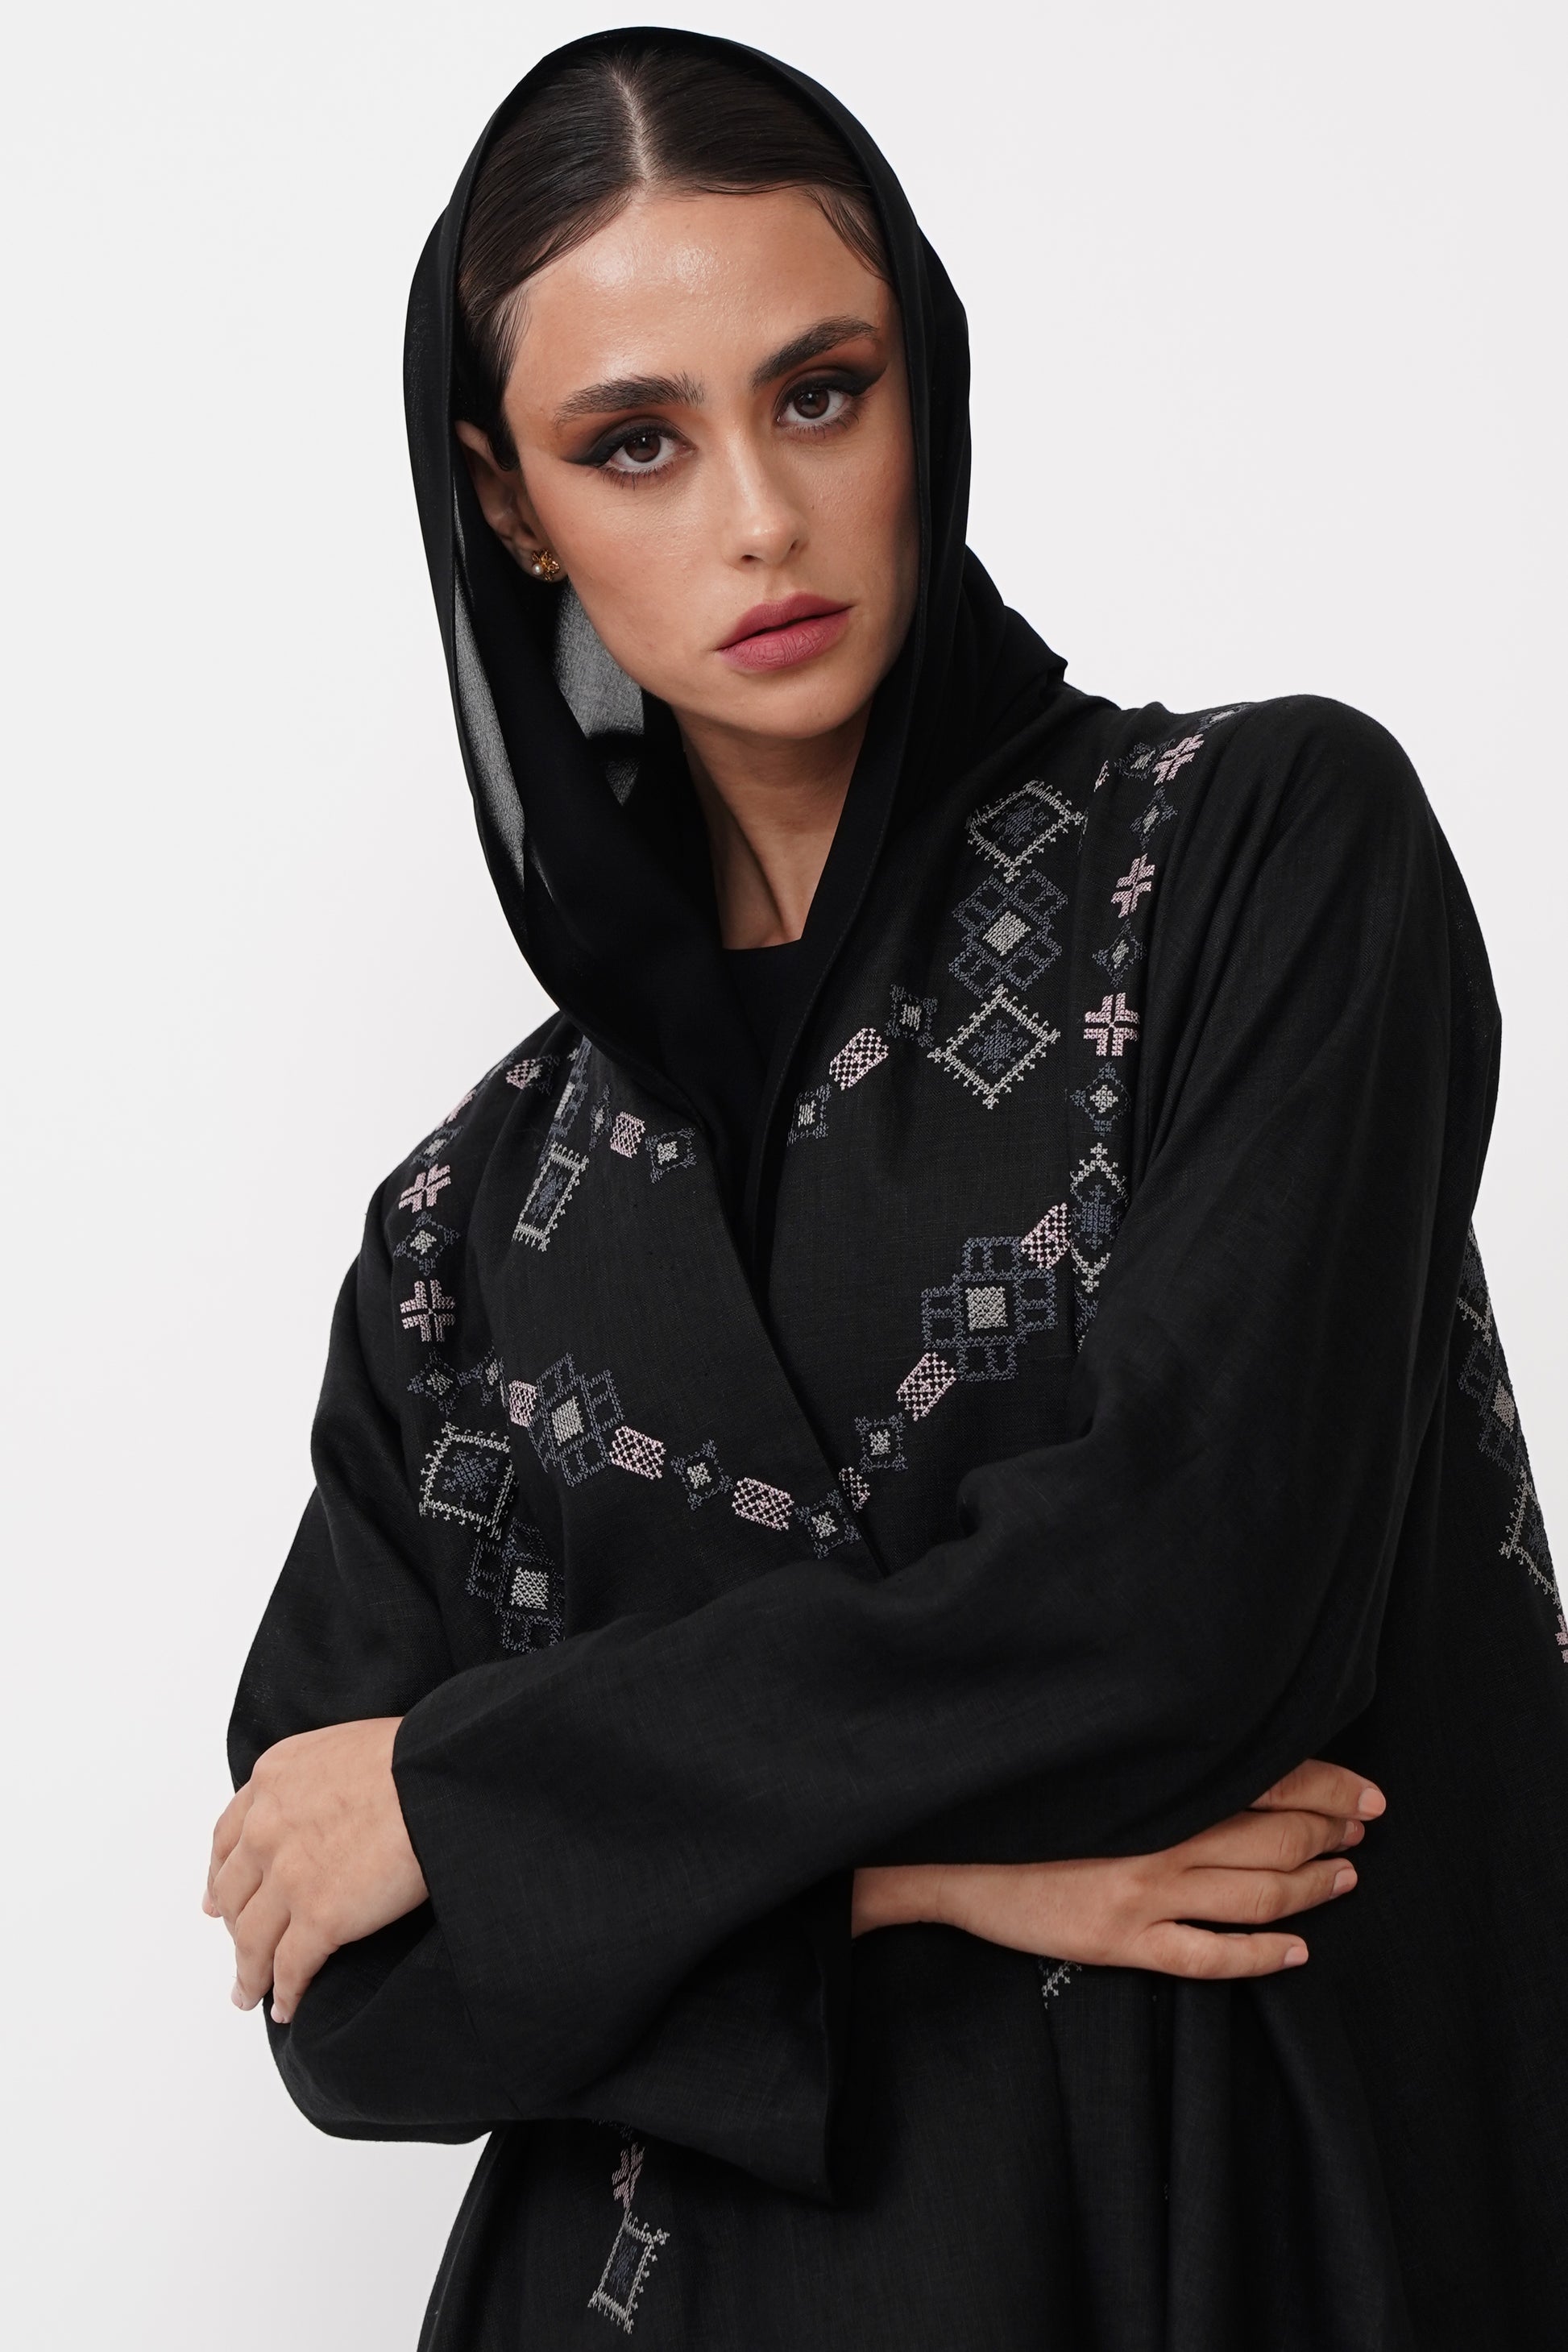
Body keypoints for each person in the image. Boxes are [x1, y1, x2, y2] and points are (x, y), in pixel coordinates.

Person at [205, 28, 1568, 2349]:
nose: (757, 515)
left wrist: (487, 1800)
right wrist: (919, 1872)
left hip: (1206, 2236)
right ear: (513, 503)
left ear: (922, 382)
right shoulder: (461, 1230)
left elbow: (1184, 1606)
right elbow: (343, 1990)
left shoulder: (1256, 864)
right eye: (635, 442)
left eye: (820, 394)